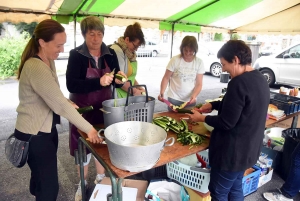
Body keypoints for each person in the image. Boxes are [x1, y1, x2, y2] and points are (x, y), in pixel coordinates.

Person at [14, 19, 102, 201]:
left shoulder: (48, 61)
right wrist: (89, 129)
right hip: (34, 135)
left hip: (46, 131)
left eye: (63, 45)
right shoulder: (35, 66)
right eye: (58, 45)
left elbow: (53, 94)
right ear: (42, 42)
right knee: (48, 188)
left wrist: (67, 102)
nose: (62, 50)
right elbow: (59, 105)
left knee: (40, 180)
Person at [187, 40, 270, 201]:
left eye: (224, 64)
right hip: (248, 151)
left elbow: (226, 122)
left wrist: (201, 118)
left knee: (219, 193)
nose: (223, 69)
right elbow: (238, 106)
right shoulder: (260, 79)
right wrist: (213, 104)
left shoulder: (238, 83)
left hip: (232, 155)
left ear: (236, 60)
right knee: (235, 187)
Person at [66, 16, 126, 201]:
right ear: (84, 35)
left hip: (104, 108)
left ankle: (101, 178)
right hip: (82, 110)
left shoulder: (110, 54)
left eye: (99, 34)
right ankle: (82, 183)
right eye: (91, 34)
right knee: (81, 149)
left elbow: (116, 80)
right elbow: (71, 85)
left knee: (102, 144)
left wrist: (120, 80)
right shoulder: (76, 54)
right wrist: (98, 82)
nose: (96, 38)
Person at [158, 36, 205, 110]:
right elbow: (166, 77)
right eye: (185, 50)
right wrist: (162, 92)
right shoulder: (175, 60)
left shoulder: (199, 62)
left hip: (190, 100)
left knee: (189, 120)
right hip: (174, 98)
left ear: (195, 50)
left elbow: (199, 83)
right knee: (172, 120)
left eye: (191, 51)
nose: (188, 53)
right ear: (181, 48)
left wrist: (194, 95)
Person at [110, 22, 146, 98]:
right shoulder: (117, 51)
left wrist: (139, 87)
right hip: (117, 98)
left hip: (127, 98)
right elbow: (119, 78)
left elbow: (130, 76)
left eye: (138, 47)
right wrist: (135, 92)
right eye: (135, 46)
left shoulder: (130, 54)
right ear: (127, 39)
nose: (136, 49)